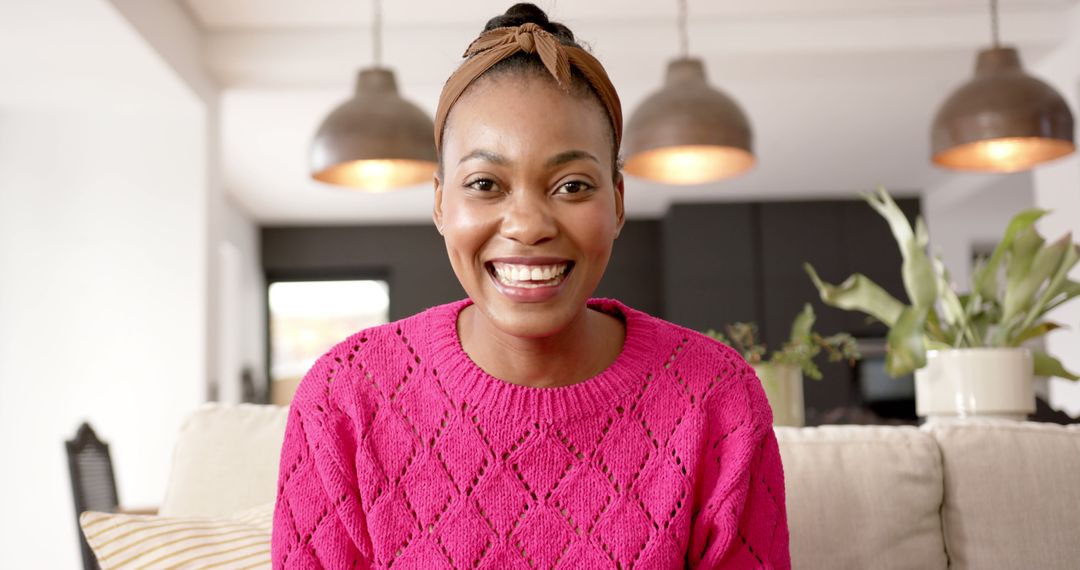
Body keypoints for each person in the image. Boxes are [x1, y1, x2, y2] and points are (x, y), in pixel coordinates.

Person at [272, 4, 789, 568]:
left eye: (571, 185)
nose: (528, 225)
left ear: (617, 203)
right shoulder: (342, 399)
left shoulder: (718, 400)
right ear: (441, 203)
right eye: (486, 183)